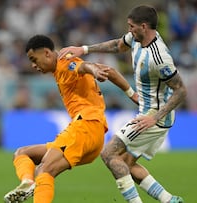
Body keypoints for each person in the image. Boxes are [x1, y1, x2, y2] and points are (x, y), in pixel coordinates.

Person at [59, 5, 187, 203]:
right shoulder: (137, 39)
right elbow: (117, 45)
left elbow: (181, 90)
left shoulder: (159, 57)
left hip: (153, 116)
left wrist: (154, 118)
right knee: (126, 163)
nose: (129, 30)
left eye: (131, 26)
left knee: (109, 154)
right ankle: (170, 200)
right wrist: (83, 49)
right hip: (148, 111)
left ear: (143, 26)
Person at [3, 34, 138, 203]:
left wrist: (93, 69)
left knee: (44, 170)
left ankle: (32, 183)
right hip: (92, 133)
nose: (33, 65)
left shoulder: (64, 63)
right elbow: (110, 71)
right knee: (22, 153)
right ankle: (27, 182)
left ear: (46, 53)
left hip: (86, 126)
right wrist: (132, 94)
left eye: (34, 59)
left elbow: (83, 66)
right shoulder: (60, 66)